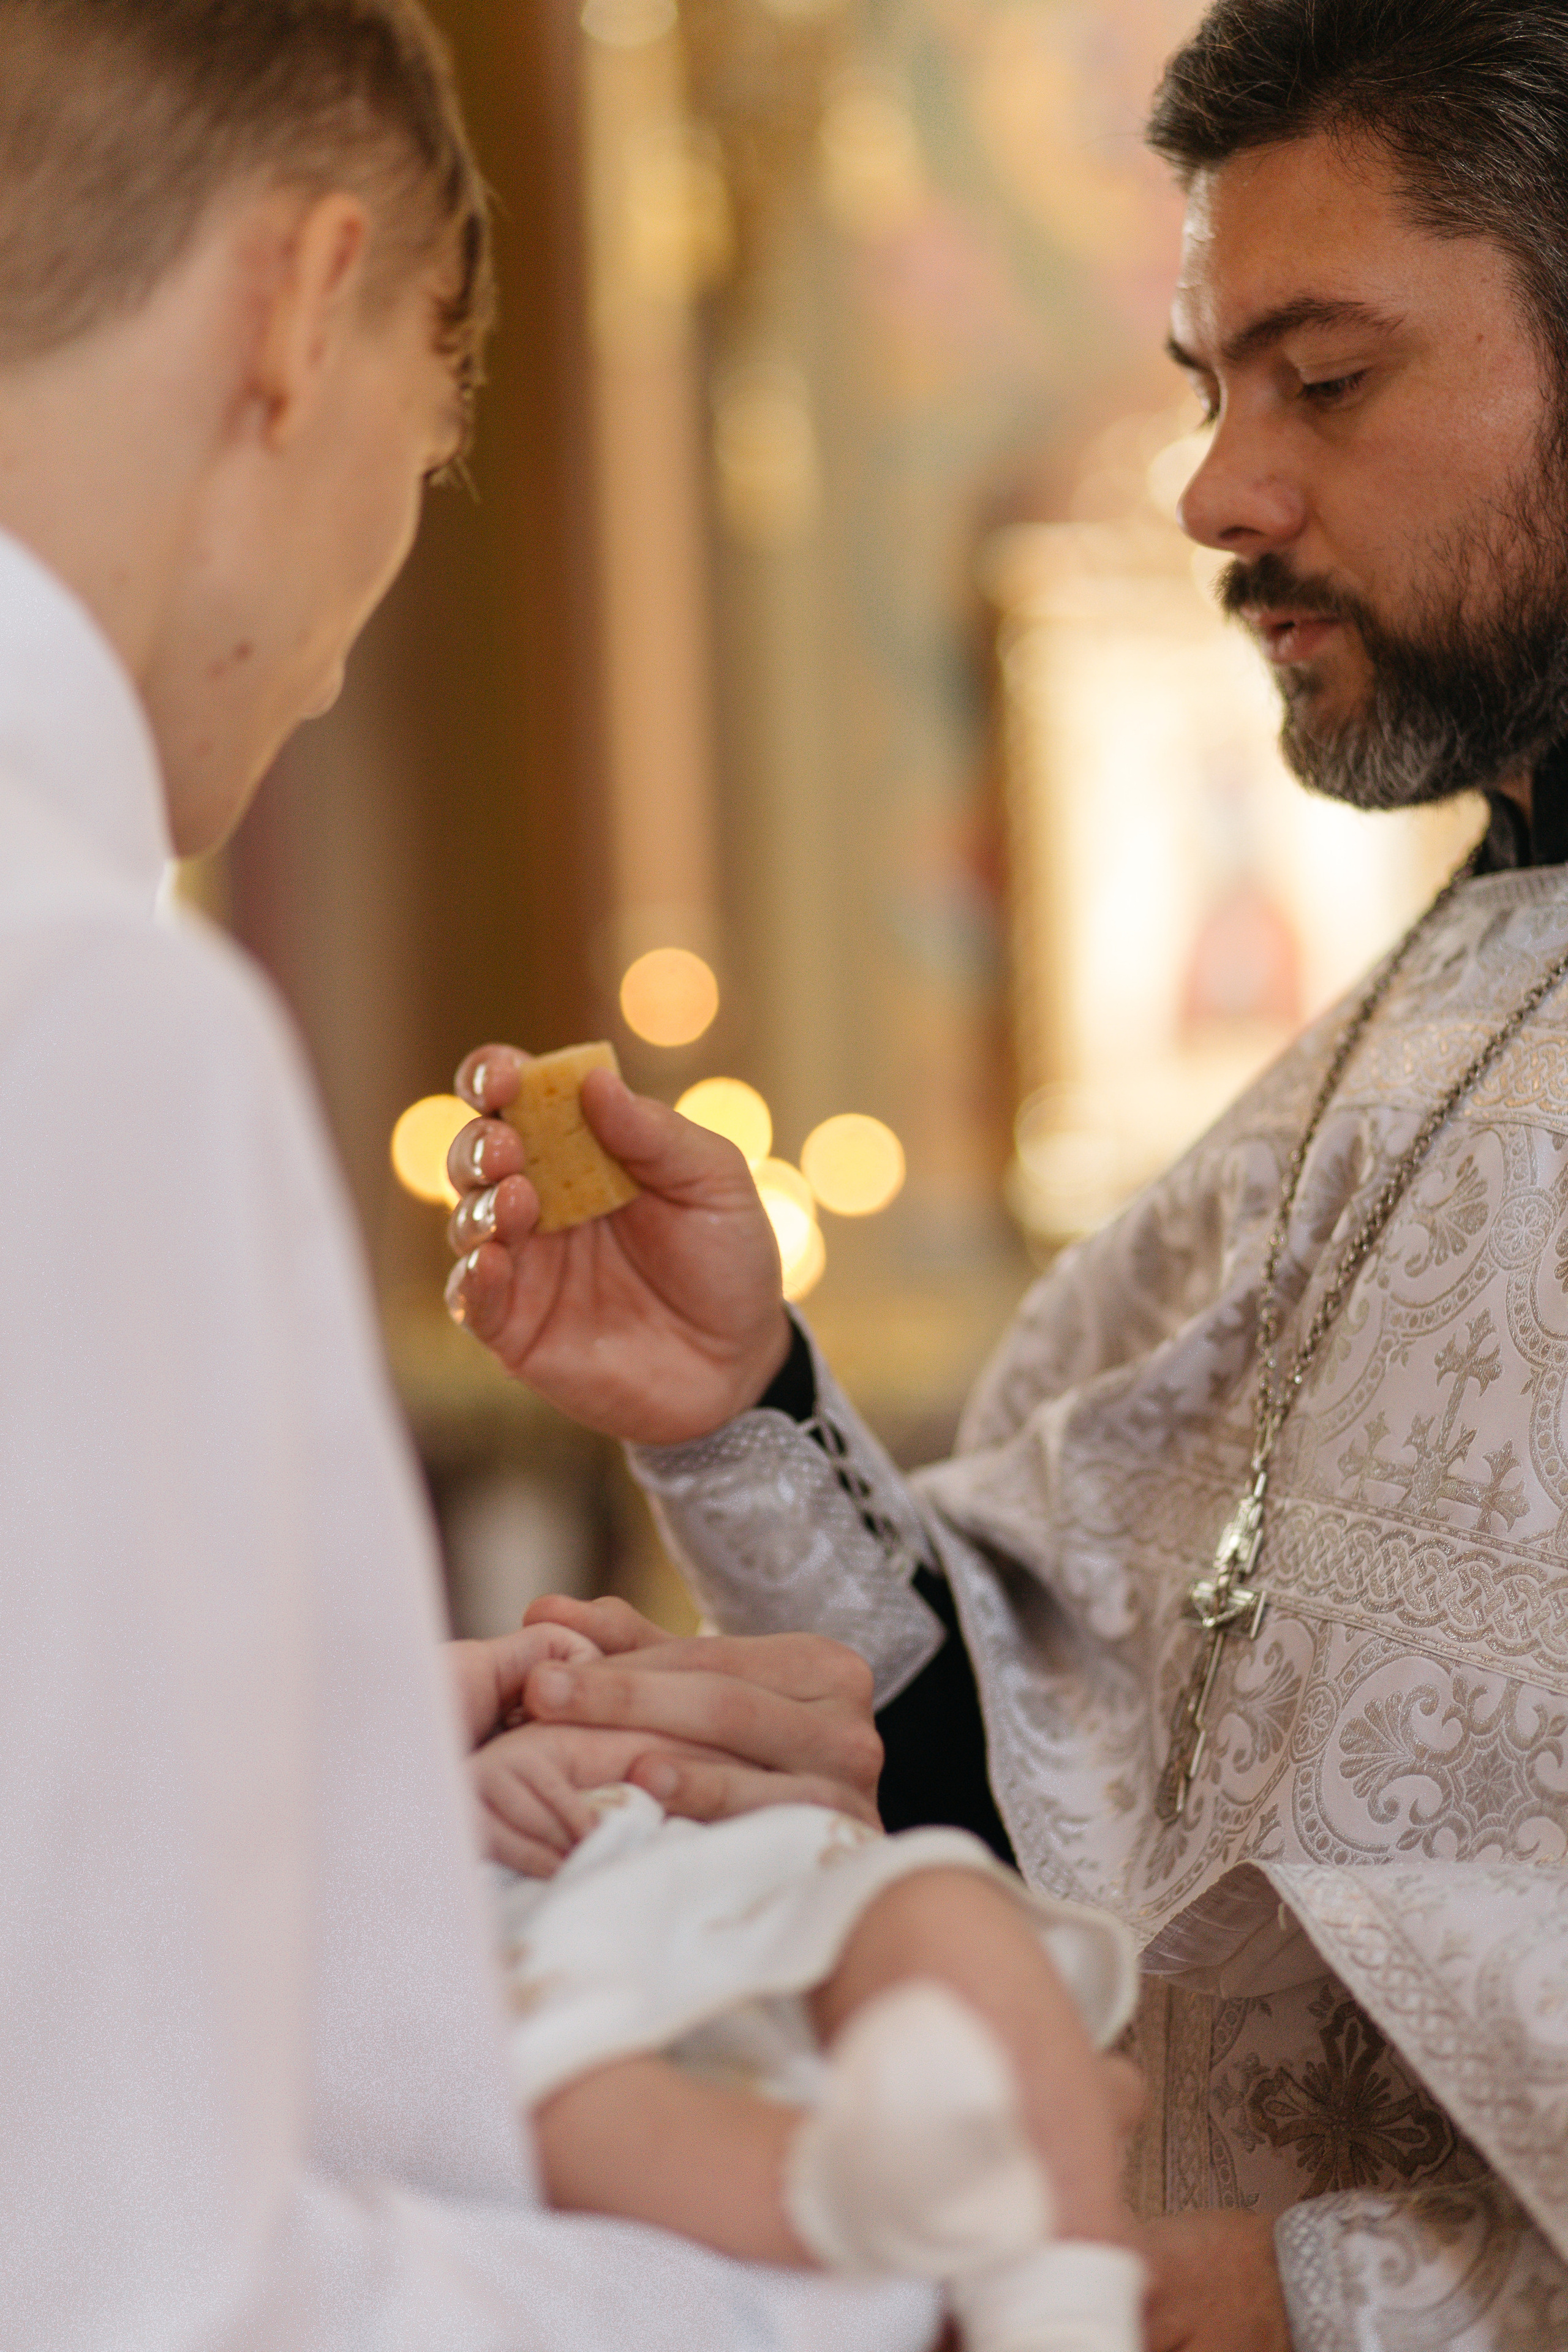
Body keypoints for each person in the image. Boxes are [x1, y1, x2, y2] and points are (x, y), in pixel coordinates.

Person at [445, 4, 1568, 2345]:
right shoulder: (1431, 1005)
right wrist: (743, 1412)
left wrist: (1308, 2294)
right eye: (1201, 385)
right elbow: (1095, 1710)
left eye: (1322, 380)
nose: (1210, 490)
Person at [0, 4, 950, 2346]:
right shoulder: (98, 1013)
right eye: (422, 474)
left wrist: (308, 1792)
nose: (340, 659)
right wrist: (955, 2317)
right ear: (303, 303)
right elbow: (153, 2281)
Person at [478, 1618, 1146, 2352]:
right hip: (534, 1956)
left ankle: (1064, 2305)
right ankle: (838, 2190)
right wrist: (442, 1772)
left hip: (742, 1887)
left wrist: (535, 1678)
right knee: (549, 2099)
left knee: (939, 1893)